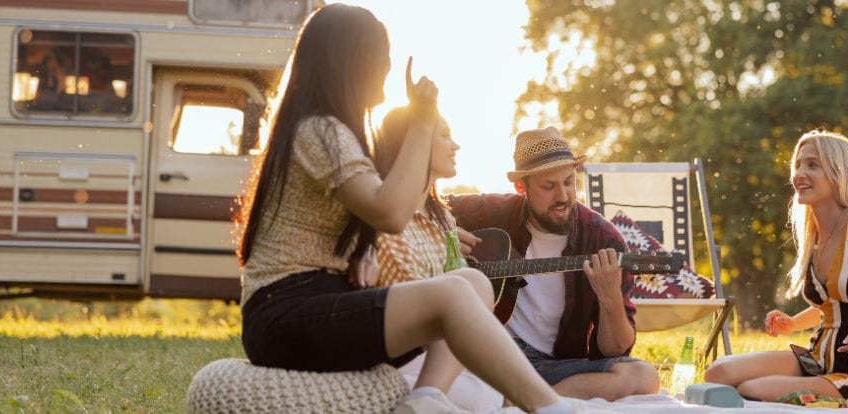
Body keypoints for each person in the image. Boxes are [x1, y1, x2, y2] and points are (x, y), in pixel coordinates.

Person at [235, 5, 575, 413]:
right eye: (382, 53)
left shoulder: (334, 132)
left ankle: (426, 400)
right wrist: (421, 122)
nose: (388, 65)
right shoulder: (319, 129)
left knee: (472, 283)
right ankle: (551, 408)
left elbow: (381, 212)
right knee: (453, 294)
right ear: (352, 58)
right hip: (286, 314)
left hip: (320, 304)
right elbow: (391, 212)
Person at [447, 126, 661, 401]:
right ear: (521, 187)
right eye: (549, 186)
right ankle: (531, 400)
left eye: (569, 182)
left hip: (555, 366)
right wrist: (445, 234)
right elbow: (429, 206)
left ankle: (527, 400)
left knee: (644, 376)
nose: (562, 196)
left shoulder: (603, 240)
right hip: (492, 352)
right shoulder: (495, 212)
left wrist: (609, 298)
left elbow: (613, 350)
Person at [702, 131, 848, 402]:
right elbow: (835, 307)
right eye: (798, 165)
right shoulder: (814, 233)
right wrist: (793, 324)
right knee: (718, 373)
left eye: (812, 165)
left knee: (753, 390)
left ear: (839, 172)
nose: (799, 173)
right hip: (818, 358)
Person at [371, 106, 505, 411]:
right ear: (413, 143)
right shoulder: (390, 219)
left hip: (439, 346)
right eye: (445, 136)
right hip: (400, 352)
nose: (455, 145)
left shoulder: (442, 218)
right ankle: (426, 400)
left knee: (492, 387)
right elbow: (413, 309)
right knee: (484, 395)